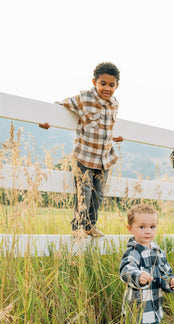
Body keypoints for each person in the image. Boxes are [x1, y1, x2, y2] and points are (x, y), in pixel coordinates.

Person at [39, 62, 123, 237]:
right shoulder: (84, 98)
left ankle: (90, 225)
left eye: (111, 85)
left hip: (104, 159)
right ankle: (78, 227)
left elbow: (110, 126)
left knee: (98, 195)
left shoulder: (114, 103)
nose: (107, 88)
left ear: (117, 85)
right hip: (84, 156)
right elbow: (59, 106)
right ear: (94, 82)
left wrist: (117, 136)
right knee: (84, 192)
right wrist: (46, 120)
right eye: (103, 83)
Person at [119, 204, 174, 324]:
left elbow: (166, 273)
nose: (148, 232)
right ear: (130, 229)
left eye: (152, 227)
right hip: (137, 310)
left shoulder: (158, 252)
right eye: (142, 227)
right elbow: (125, 271)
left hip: (154, 309)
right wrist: (138, 277)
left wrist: (171, 282)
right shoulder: (133, 252)